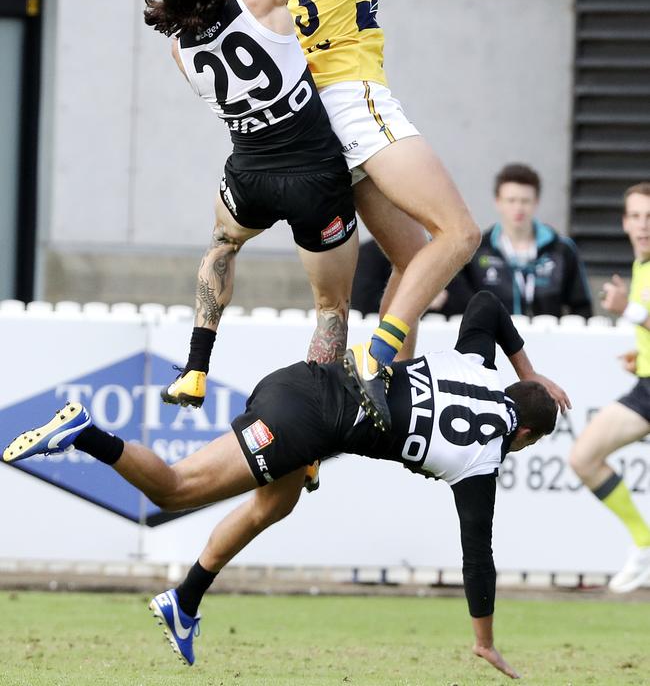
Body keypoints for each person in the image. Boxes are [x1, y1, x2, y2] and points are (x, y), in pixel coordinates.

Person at [4, 291, 568, 679]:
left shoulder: (478, 364)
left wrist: (530, 372)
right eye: (530, 442)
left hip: (306, 381)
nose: (520, 449)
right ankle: (86, 434)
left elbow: (487, 305)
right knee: (174, 490)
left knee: (277, 503)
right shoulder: (482, 461)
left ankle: (184, 600)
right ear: (522, 432)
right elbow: (478, 560)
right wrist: (484, 640)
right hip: (305, 423)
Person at [270, 0, 480, 429]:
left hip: (325, 120)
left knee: (411, 257)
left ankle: (383, 390)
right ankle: (377, 356)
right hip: (357, 101)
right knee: (459, 235)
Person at [143, 0, 384, 414]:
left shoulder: (178, 50)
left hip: (248, 176)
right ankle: (316, 430)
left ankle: (195, 367)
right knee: (330, 308)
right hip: (315, 177)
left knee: (221, 246)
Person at [570, 182, 650, 593]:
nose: (643, 225)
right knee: (584, 457)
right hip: (647, 387)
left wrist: (629, 311)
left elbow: (641, 314)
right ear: (624, 222)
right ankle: (644, 544)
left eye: (649, 217)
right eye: (636, 216)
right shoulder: (639, 267)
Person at [438, 163, 592, 319]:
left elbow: (582, 308)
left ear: (536, 202)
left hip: (547, 339)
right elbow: (462, 306)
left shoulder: (561, 250)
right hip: (493, 340)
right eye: (511, 200)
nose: (518, 208)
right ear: (498, 202)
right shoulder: (477, 250)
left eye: (525, 201)